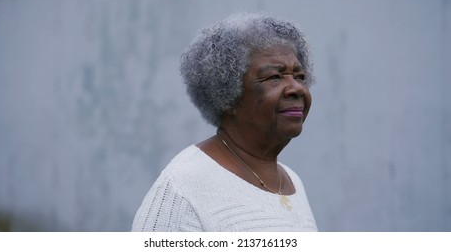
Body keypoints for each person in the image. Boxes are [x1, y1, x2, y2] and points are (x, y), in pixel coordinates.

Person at [132, 12, 318, 231]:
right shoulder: (182, 190)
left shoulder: (292, 181)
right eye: (274, 77)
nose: (297, 88)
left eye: (299, 77)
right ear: (227, 95)